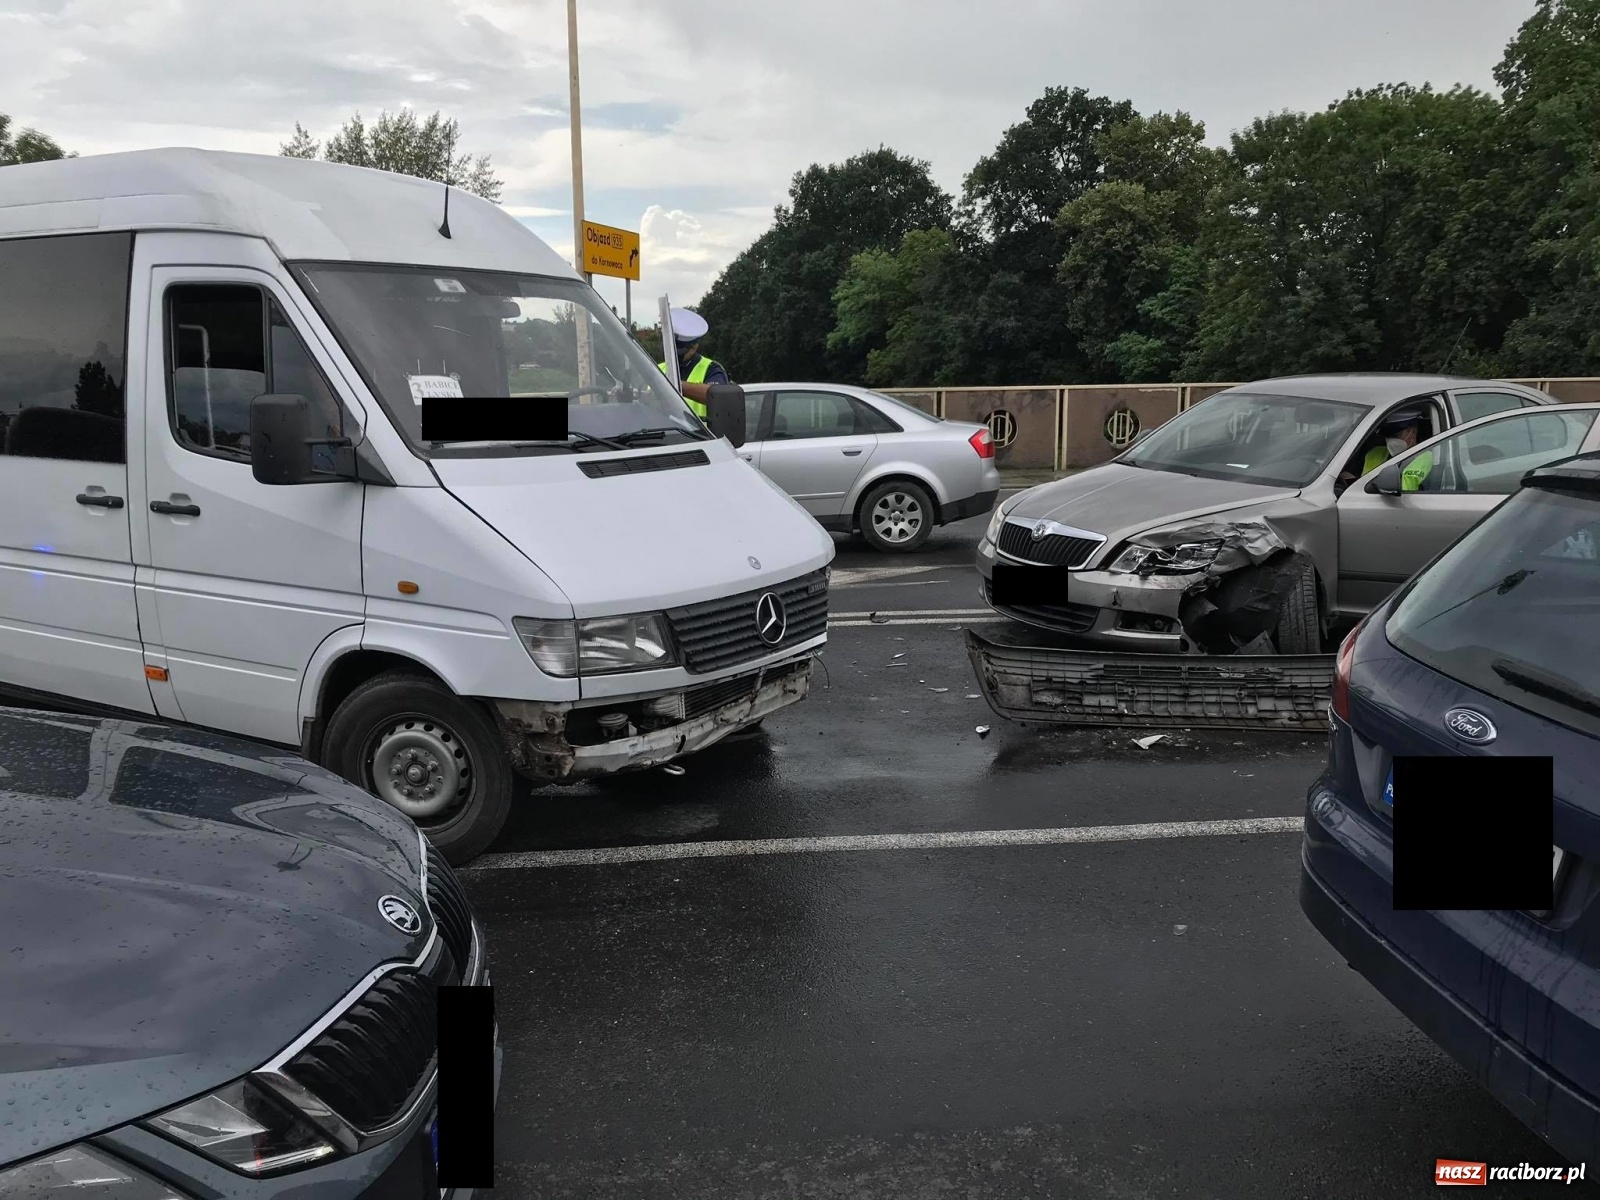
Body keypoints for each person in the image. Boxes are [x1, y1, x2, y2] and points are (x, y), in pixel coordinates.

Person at [1338, 408, 1434, 492]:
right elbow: (1360, 481)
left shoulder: (1425, 456)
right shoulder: (1374, 453)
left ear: (1413, 433)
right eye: (1388, 436)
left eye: (1396, 435)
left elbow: (1405, 489)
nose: (1391, 440)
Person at [657, 308, 729, 420]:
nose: (674, 356)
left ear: (694, 348)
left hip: (698, 431)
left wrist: (676, 385)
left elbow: (719, 395)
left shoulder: (711, 369)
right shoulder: (658, 368)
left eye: (679, 352)